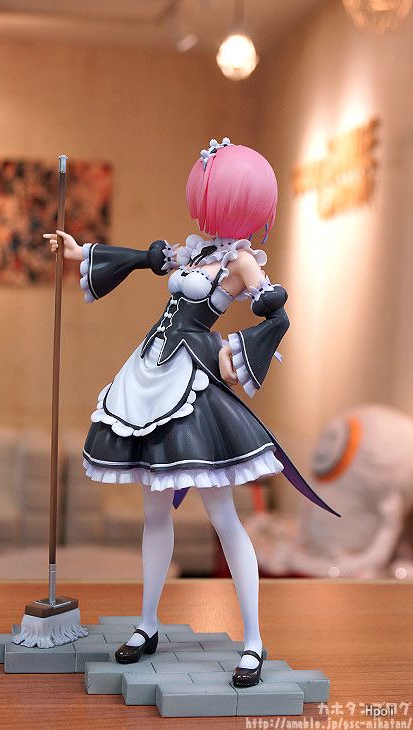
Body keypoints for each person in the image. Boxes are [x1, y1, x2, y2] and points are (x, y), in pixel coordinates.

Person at [45, 138, 339, 687]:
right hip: (152, 369)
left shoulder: (241, 260)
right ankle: (147, 623)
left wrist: (244, 343)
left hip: (191, 380)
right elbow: (146, 258)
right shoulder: (198, 251)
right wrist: (80, 253)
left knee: (222, 515)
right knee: (154, 510)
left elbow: (274, 311)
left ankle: (253, 641)